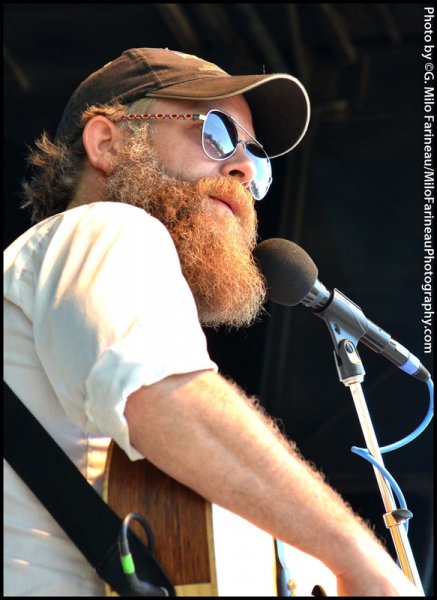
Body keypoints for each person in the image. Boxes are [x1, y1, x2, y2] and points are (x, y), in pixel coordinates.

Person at [4, 47, 421, 597]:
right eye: (217, 133)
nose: (243, 168)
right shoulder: (107, 227)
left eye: (258, 160)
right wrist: (359, 558)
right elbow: (168, 401)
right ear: (107, 142)